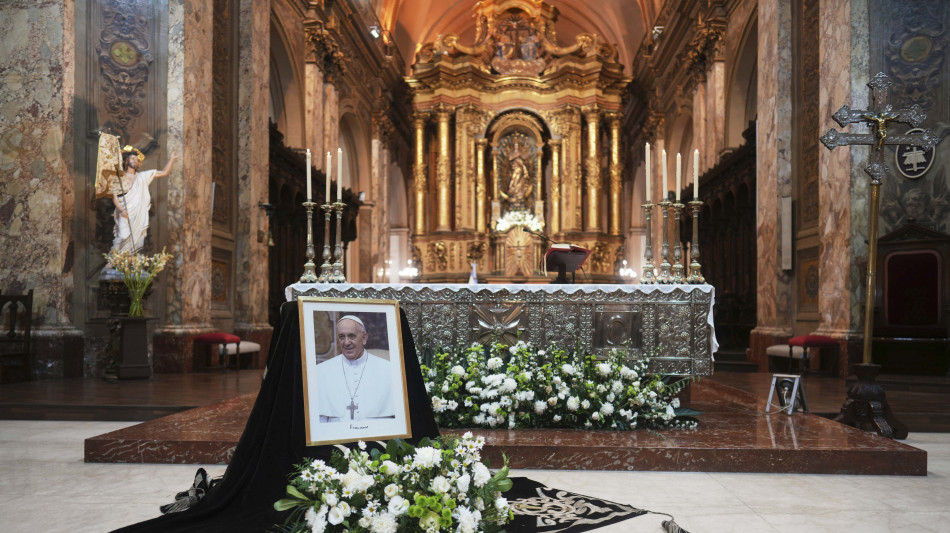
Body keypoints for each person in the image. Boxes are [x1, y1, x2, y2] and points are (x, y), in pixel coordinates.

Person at [315, 315, 395, 423]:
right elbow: (319, 421)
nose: (346, 342)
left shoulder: (388, 370)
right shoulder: (321, 371)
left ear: (364, 338)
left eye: (351, 336)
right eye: (342, 337)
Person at [111, 146, 178, 255]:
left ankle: (129, 261)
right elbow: (114, 195)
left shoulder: (142, 177)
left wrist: (172, 159)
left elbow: (164, 173)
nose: (135, 161)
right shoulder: (120, 177)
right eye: (132, 159)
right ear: (126, 161)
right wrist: (121, 209)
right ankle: (113, 259)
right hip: (125, 211)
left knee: (136, 240)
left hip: (139, 213)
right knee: (122, 236)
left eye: (137, 160)